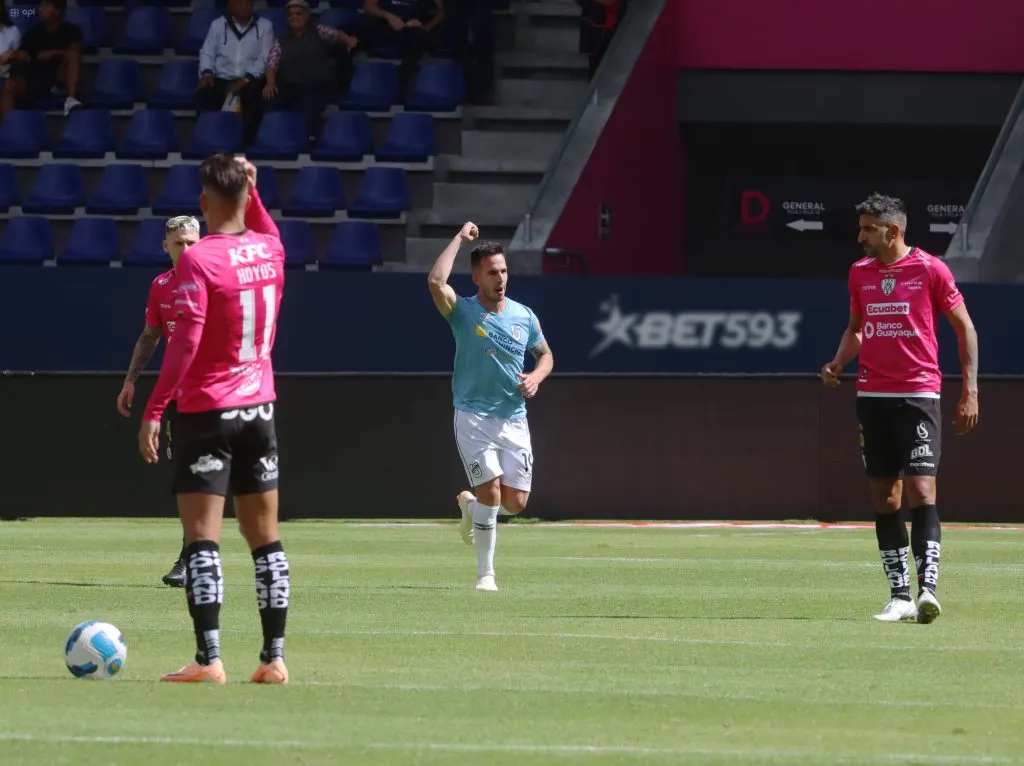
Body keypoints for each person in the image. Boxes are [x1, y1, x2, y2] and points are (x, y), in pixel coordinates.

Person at [139, 155, 289, 684]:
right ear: (247, 195)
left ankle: (209, 660)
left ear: (204, 203)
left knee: (202, 539)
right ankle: (273, 659)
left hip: (207, 410)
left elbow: (185, 342)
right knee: (266, 539)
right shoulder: (272, 250)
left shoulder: (198, 260)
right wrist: (255, 189)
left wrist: (155, 408)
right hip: (260, 409)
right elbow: (264, 224)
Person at [821, 193, 979, 624]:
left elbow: (965, 327)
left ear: (893, 231)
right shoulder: (859, 273)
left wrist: (970, 390)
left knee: (922, 491)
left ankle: (928, 590)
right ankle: (900, 597)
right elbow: (857, 329)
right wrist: (838, 361)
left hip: (919, 394)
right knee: (885, 496)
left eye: (868, 229)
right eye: (861, 228)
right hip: (872, 396)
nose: (861, 237)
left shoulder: (930, 269)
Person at [427, 223, 554, 592]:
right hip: (473, 415)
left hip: (513, 418)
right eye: (492, 273)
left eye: (504, 271)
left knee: (516, 503)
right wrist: (458, 239)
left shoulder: (524, 315)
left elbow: (545, 355)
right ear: (477, 277)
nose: (500, 279)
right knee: (492, 493)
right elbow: (435, 282)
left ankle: (470, 509)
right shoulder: (463, 311)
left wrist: (536, 376)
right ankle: (486, 575)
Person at [116, 216, 202, 588]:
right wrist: (131, 380)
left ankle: (197, 557)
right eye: (178, 243)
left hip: (222, 393)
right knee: (187, 477)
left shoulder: (217, 281)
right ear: (166, 246)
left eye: (192, 242)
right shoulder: (161, 286)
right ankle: (192, 557)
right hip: (180, 395)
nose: (186, 249)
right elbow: (151, 335)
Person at [263, 0, 358, 142]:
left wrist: (347, 39)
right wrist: (270, 82)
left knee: (309, 99)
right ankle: (271, 138)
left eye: (298, 13)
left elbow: (336, 34)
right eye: (291, 15)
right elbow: (272, 62)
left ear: (307, 16)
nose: (294, 17)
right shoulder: (280, 39)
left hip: (317, 83)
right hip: (290, 83)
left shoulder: (318, 31)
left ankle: (311, 137)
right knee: (269, 97)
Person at [196, 0, 274, 145]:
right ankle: (209, 142)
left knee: (253, 96)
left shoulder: (265, 26)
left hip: (250, 79)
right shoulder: (218, 25)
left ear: (252, 4)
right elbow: (207, 52)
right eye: (238, 2)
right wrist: (206, 73)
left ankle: (246, 145)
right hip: (221, 78)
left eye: (246, 2)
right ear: (229, 6)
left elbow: (265, 57)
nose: (242, 5)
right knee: (204, 92)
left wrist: (246, 78)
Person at [0, 0, 82, 120]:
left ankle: (71, 99)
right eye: (40, 5)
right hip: (33, 79)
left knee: (72, 56)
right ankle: (7, 127)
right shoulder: (33, 33)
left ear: (57, 11)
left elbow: (75, 52)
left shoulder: (71, 31)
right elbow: (24, 55)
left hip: (58, 79)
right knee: (9, 85)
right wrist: (15, 55)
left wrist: (52, 53)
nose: (40, 9)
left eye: (46, 5)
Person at [361, 0, 444, 93]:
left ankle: (403, 81)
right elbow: (368, 6)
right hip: (384, 24)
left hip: (411, 29)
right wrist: (388, 16)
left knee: (419, 36)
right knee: (360, 25)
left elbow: (442, 12)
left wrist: (425, 28)